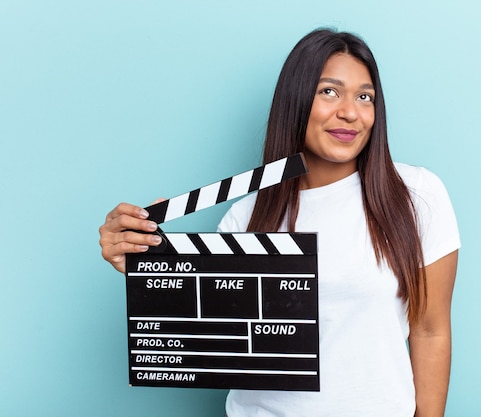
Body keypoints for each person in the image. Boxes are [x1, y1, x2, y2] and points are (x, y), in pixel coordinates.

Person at [99, 28, 460, 417]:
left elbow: (430, 330)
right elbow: (223, 338)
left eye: (365, 96)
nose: (350, 112)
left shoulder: (415, 194)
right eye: (329, 91)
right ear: (296, 101)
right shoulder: (246, 217)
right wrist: (144, 264)